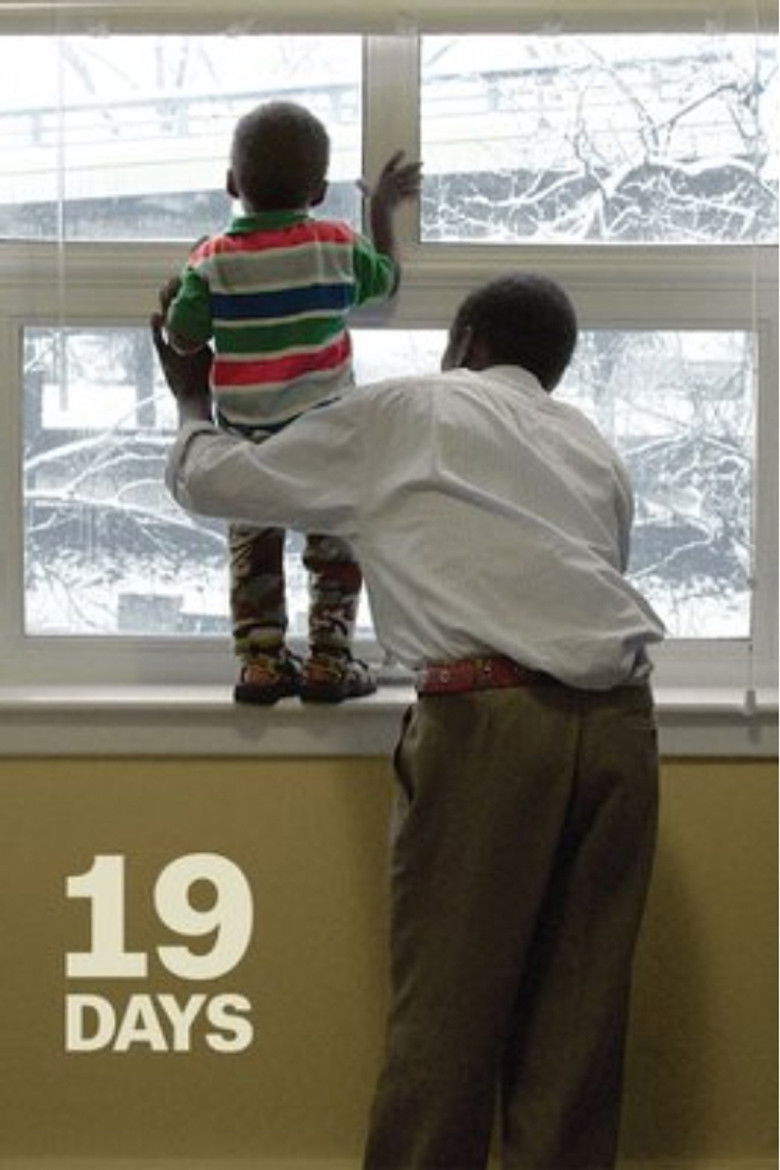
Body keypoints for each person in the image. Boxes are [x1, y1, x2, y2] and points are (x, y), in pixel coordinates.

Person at [156, 271, 665, 1170]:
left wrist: (193, 396)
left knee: (446, 1022)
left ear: (466, 343)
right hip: (623, 728)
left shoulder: (414, 411)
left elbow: (220, 482)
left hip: (491, 728)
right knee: (577, 1038)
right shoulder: (592, 448)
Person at [165, 100, 421, 704]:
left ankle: (261, 662)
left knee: (254, 549)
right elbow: (387, 278)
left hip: (247, 441)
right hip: (327, 438)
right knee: (335, 546)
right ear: (320, 191)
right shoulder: (335, 246)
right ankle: (329, 660)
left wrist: (184, 285)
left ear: (232, 184)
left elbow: (183, 337)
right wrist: (380, 212)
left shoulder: (212, 261)